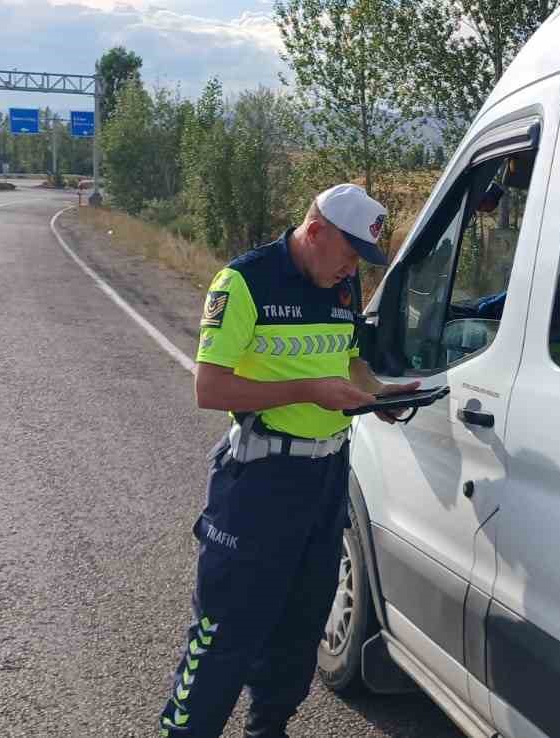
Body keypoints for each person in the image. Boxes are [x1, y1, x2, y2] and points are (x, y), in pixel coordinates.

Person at [160, 184, 419, 738]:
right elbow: (210, 387)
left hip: (326, 479)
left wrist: (380, 394)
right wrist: (307, 391)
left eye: (362, 260)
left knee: (299, 631)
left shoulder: (341, 285)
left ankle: (269, 728)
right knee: (225, 635)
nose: (353, 270)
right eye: (350, 254)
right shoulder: (244, 281)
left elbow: (349, 361)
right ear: (316, 231)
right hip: (260, 481)